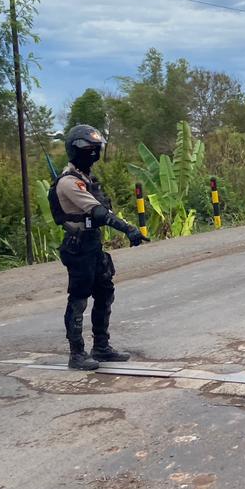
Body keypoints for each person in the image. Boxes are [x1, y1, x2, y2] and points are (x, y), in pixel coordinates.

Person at [50, 124, 148, 371]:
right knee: (79, 298)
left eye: (96, 149)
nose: (93, 154)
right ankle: (77, 353)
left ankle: (101, 347)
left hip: (93, 244)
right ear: (77, 150)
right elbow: (98, 211)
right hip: (77, 246)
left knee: (105, 292)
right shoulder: (68, 183)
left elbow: (102, 209)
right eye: (89, 149)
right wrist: (127, 228)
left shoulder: (86, 179)